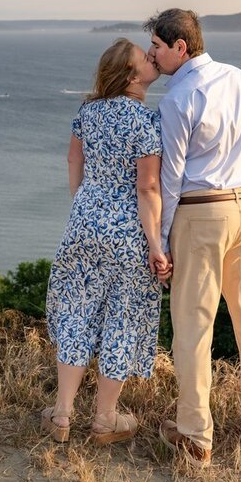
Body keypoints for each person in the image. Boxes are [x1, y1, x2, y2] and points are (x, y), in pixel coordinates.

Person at [145, 8, 241, 467]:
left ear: (180, 47)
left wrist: (160, 243)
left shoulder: (177, 99)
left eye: (158, 47)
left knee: (193, 327)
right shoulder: (239, 78)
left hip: (202, 214)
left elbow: (170, 178)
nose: (153, 55)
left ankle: (195, 437)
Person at [43, 37, 173, 445]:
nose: (152, 58)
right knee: (122, 317)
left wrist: (85, 204)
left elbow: (73, 161)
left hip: (84, 223)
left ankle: (62, 415)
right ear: (133, 76)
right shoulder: (144, 121)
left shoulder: (88, 111)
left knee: (78, 310)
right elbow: (148, 188)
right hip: (128, 233)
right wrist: (156, 245)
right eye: (145, 58)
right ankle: (105, 419)